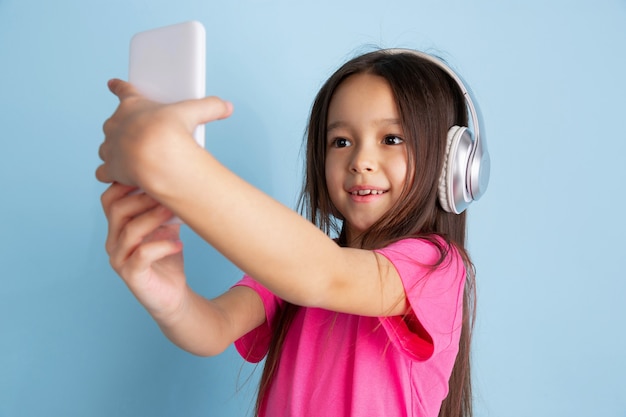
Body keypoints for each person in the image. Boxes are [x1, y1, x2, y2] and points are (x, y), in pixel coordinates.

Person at [96, 48, 488, 417]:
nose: (360, 161)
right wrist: (171, 300)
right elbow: (214, 327)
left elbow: (324, 275)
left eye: (392, 139)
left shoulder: (435, 266)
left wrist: (175, 166)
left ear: (452, 166)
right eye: (341, 141)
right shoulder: (292, 267)